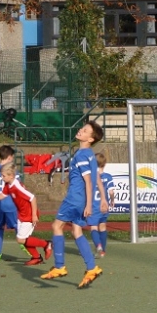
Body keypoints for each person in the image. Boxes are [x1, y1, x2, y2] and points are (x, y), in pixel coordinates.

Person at [42, 122, 107, 289]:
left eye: (85, 131)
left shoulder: (81, 155)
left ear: (90, 139)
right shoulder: (89, 154)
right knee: (76, 231)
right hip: (81, 200)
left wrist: (88, 205)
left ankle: (59, 266)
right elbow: (94, 178)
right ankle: (92, 268)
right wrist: (97, 200)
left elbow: (88, 181)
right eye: (82, 128)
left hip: (75, 199)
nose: (80, 130)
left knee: (57, 226)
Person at [0, 163, 51, 266]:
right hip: (21, 214)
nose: (2, 178)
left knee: (21, 239)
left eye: (3, 176)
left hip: (29, 214)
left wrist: (34, 215)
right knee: (23, 238)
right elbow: (3, 195)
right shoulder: (8, 185)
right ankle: (36, 257)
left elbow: (32, 198)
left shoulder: (17, 187)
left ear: (11, 176)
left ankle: (47, 244)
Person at [90, 152, 116, 257]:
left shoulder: (91, 177)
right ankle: (103, 251)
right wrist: (112, 200)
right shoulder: (108, 177)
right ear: (104, 164)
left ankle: (98, 245)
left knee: (93, 227)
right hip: (104, 206)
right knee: (103, 226)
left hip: (93, 206)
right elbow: (111, 192)